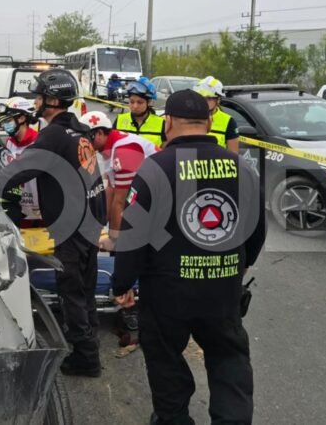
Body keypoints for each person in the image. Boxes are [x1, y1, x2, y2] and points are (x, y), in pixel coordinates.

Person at [113, 89, 265, 424]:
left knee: (166, 361)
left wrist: (122, 282)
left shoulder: (156, 168)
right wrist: (238, 267)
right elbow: (257, 231)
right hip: (222, 291)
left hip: (167, 293)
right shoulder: (242, 168)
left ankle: (173, 419)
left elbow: (134, 234)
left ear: (167, 123)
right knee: (229, 360)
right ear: (210, 122)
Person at [0, 68, 107, 377]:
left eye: (39, 97)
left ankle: (86, 359)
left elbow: (18, 171)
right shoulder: (78, 129)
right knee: (85, 291)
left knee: (71, 292)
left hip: (71, 226)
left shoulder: (54, 135)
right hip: (89, 221)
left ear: (52, 100)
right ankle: (91, 347)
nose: (34, 103)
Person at [81, 110, 158, 332]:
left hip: (156, 203)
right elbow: (110, 191)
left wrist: (115, 238)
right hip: (146, 200)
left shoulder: (124, 151)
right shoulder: (109, 149)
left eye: (86, 138)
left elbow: (121, 203)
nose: (82, 143)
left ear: (99, 134)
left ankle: (132, 307)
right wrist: (96, 225)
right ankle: (127, 298)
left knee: (129, 252)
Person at [0, 97, 43, 227]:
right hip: (19, 207)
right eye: (3, 121)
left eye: (8, 120)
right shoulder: (10, 142)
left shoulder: (39, 141)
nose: (5, 124)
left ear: (22, 118)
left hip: (41, 211)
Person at [113, 77, 165, 147]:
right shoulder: (119, 120)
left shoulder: (161, 124)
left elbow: (166, 152)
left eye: (140, 102)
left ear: (148, 102)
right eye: (131, 102)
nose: (135, 106)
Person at [192, 75, 239, 152]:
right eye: (200, 98)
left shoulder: (228, 121)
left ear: (218, 100)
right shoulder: (188, 118)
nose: (203, 102)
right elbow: (184, 159)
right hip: (193, 163)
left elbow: (233, 156)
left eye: (208, 99)